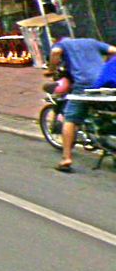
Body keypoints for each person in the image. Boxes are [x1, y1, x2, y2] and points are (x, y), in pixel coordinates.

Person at [49, 36, 116, 172]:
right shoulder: (91, 42)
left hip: (85, 85)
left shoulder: (63, 45)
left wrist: (51, 68)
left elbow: (55, 52)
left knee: (70, 118)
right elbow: (113, 50)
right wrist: (106, 64)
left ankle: (66, 159)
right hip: (105, 81)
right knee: (106, 111)